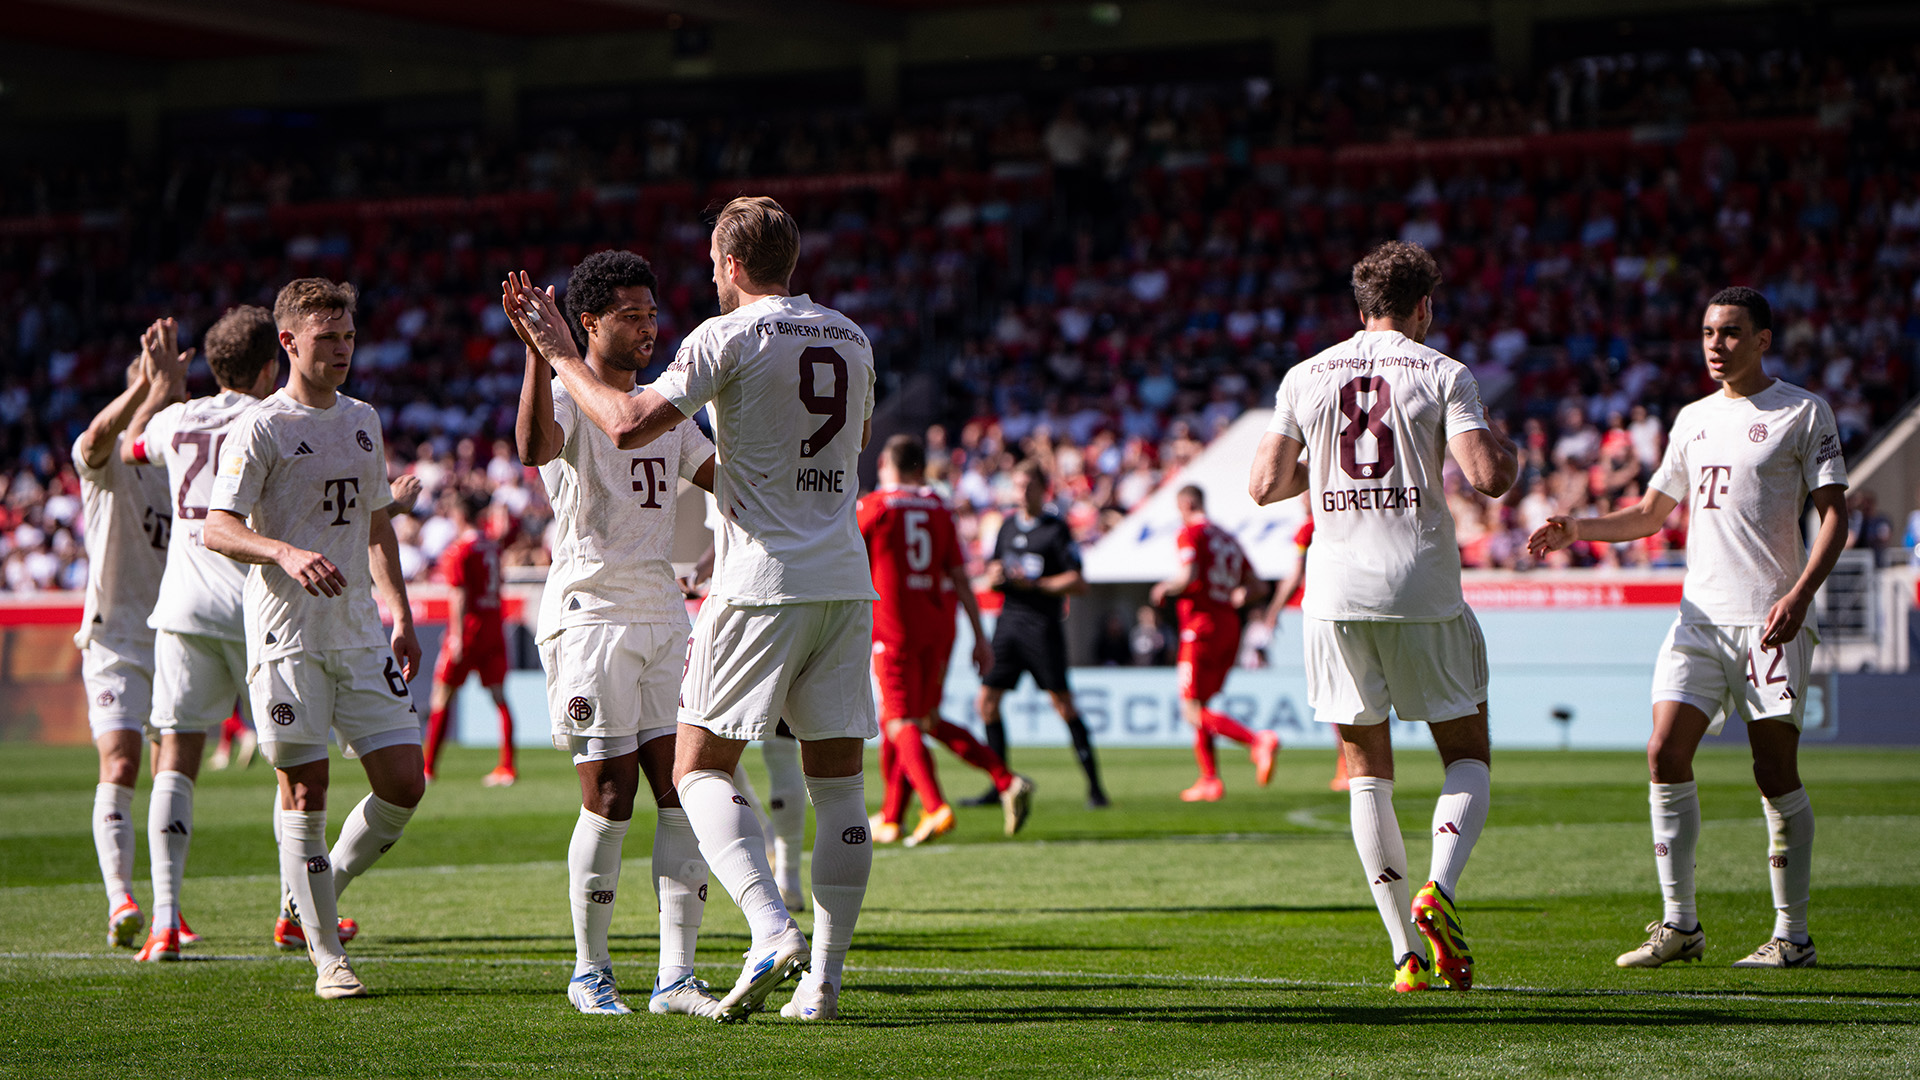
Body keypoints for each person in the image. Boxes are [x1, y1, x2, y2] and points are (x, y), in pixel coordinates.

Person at [505, 195, 875, 1023]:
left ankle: (755, 935)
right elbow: (834, 454)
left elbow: (636, 426)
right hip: (837, 580)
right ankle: (819, 980)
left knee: (696, 775)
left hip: (756, 587)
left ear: (733, 265)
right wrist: (552, 361)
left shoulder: (724, 338)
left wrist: (555, 349)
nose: (699, 284)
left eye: (710, 265)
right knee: (837, 787)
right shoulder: (851, 336)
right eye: (631, 314)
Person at [1529, 287, 1847, 970]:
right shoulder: (1693, 418)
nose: (1715, 344)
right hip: (1697, 620)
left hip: (1770, 619)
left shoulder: (1803, 410)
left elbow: (1835, 517)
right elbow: (1649, 513)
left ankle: (1793, 936)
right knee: (1663, 752)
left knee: (1773, 771)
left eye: (1731, 332)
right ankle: (1681, 927)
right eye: (1708, 331)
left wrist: (1799, 595)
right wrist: (1576, 529)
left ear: (1763, 339)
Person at [1250, 240, 1517, 993]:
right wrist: (1513, 454)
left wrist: (1324, 465)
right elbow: (1489, 477)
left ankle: (1404, 954)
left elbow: (1265, 483)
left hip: (1333, 594)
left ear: (1359, 306)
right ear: (1423, 306)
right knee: (1466, 752)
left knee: (1366, 771)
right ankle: (1441, 887)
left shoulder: (1305, 375)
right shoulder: (1442, 372)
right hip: (1419, 588)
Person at [511, 249, 724, 1018]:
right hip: (590, 614)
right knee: (610, 793)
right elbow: (533, 449)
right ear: (589, 322)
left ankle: (675, 978)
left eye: (651, 312)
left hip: (663, 611)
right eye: (630, 314)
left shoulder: (663, 408)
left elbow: (724, 477)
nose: (648, 327)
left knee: (683, 790)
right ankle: (589, 971)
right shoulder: (569, 396)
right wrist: (543, 356)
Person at [204, 278, 426, 1000]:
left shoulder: (363, 418)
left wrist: (400, 610)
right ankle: (328, 956)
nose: (342, 349)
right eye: (327, 338)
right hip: (286, 636)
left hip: (360, 631)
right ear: (289, 342)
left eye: (349, 336)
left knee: (404, 782)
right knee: (306, 788)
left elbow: (374, 523)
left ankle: (313, 888)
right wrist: (284, 552)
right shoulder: (261, 426)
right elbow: (217, 526)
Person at [119, 308, 278, 960]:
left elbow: (132, 446)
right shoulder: (277, 418)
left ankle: (165, 921)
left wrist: (159, 385)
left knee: (175, 762)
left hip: (183, 607)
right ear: (273, 364)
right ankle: (296, 911)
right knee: (294, 767)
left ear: (211, 366)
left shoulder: (176, 420)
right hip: (260, 607)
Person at [861, 434, 1031, 846]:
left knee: (901, 722)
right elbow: (959, 575)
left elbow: (839, 556)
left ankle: (935, 806)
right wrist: (979, 636)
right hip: (939, 628)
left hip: (893, 628)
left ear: (885, 463)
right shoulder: (940, 508)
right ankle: (894, 816)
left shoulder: (875, 506)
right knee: (921, 721)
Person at [73, 345, 176, 955]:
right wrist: (148, 387)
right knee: (120, 764)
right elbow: (97, 434)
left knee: (173, 771)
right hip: (113, 640)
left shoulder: (172, 461)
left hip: (173, 635)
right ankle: (121, 899)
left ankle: (170, 908)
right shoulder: (105, 463)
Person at [970, 460, 1108, 808]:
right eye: (1017, 485)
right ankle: (1000, 784)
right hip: (1007, 625)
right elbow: (993, 569)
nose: (1022, 492)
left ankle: (1095, 788)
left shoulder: (1054, 530)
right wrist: (997, 574)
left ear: (1042, 489)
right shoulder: (1005, 526)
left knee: (1063, 705)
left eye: (1029, 485)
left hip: (1042, 628)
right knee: (986, 704)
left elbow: (1077, 581)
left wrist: (1036, 584)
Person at [1148, 485, 1279, 802]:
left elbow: (1187, 574)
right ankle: (1209, 779)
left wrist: (1165, 588)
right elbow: (1259, 585)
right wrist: (1242, 594)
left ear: (1187, 504)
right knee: (1202, 705)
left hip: (1200, 627)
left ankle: (1256, 741)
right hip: (1229, 627)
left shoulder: (1191, 533)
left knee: (1192, 710)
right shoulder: (1228, 538)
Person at [421, 488, 518, 788]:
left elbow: (459, 596)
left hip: (468, 629)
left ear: (460, 515)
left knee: (441, 695)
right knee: (500, 697)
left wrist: (457, 637)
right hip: (493, 628)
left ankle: (428, 769)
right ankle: (507, 767)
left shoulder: (459, 550)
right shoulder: (491, 546)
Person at [1261, 502, 1348, 791]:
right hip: (1358, 607)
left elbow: (1295, 574)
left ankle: (1347, 766)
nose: (1301, 499)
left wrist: (1273, 611)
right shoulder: (1346, 516)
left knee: (1337, 691)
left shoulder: (1309, 527)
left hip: (1325, 613)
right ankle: (1353, 765)